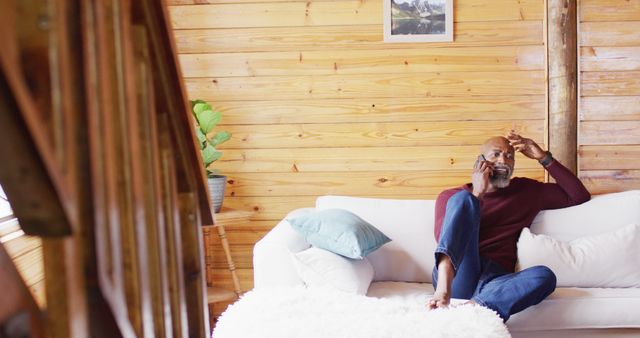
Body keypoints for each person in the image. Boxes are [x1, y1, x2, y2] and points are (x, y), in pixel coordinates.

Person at [426, 131, 591, 321]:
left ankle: (474, 308)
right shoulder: (451, 197)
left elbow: (579, 195)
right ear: (480, 162)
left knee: (544, 276)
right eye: (495, 154)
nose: (503, 160)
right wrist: (477, 195)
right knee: (464, 199)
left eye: (509, 156)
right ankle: (444, 294)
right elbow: (445, 240)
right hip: (457, 276)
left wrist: (544, 157)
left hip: (496, 280)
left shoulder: (527, 191)